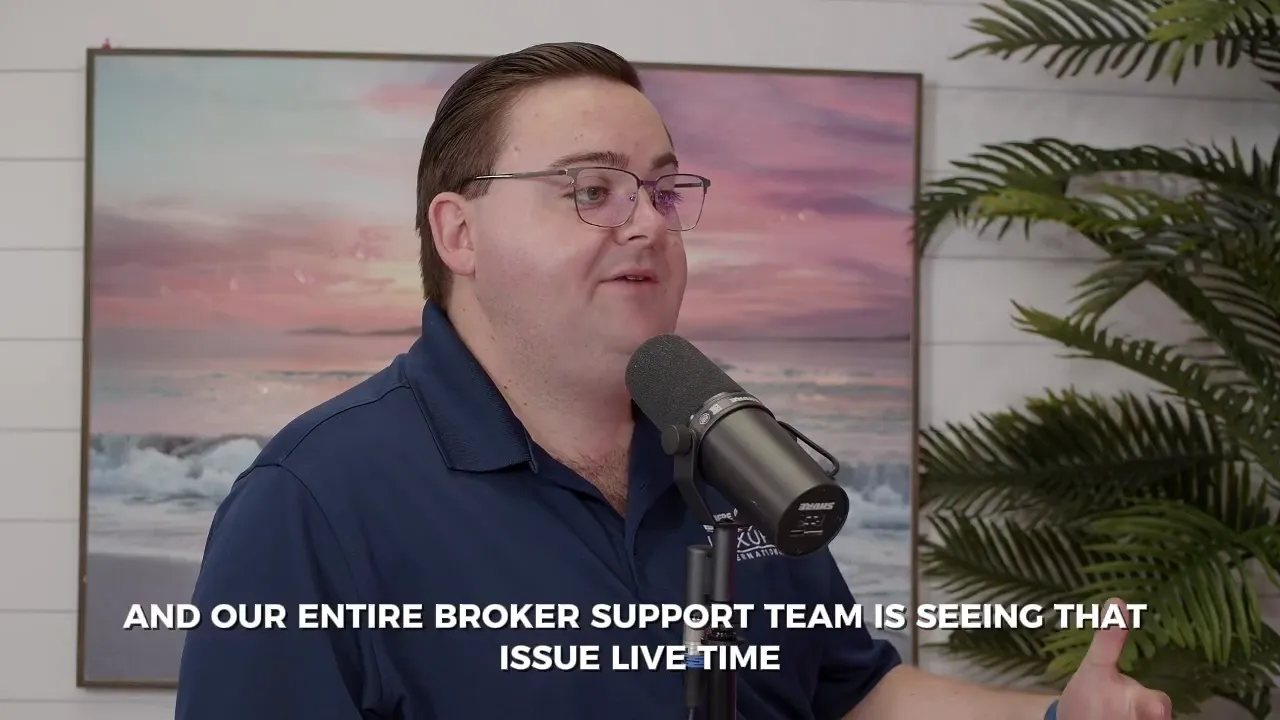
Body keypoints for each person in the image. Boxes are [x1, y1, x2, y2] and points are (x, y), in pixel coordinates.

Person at [174, 42, 1173, 720]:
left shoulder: (734, 453)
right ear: (459, 233)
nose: (648, 221)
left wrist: (1058, 717)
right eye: (592, 189)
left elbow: (853, 695)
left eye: (661, 188)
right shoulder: (310, 502)